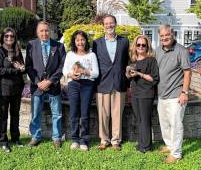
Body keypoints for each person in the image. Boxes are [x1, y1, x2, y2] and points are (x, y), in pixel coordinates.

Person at [25, 21, 66, 148]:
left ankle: (56, 137)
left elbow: (62, 66)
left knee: (57, 114)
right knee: (36, 113)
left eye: (46, 30)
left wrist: (49, 81)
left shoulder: (59, 46)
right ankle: (35, 136)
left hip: (53, 86)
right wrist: (38, 82)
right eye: (41, 31)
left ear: (50, 32)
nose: (44, 33)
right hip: (37, 87)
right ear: (37, 33)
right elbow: (29, 66)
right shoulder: (31, 45)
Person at [92, 14, 129, 151]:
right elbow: (94, 62)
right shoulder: (96, 43)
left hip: (119, 83)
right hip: (102, 83)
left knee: (117, 114)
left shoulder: (124, 41)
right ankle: (104, 139)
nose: (109, 25)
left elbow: (126, 62)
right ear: (103, 26)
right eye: (106, 23)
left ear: (115, 24)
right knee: (103, 114)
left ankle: (115, 141)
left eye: (111, 23)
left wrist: (127, 82)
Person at [156, 24, 191, 164]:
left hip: (176, 95)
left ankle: (176, 153)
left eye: (167, 35)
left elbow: (187, 72)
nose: (164, 38)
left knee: (176, 124)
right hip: (161, 95)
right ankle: (170, 146)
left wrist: (184, 92)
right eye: (162, 36)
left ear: (173, 35)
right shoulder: (158, 50)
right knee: (164, 123)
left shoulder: (181, 50)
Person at [63, 30, 99, 151]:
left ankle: (84, 140)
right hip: (73, 84)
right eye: (77, 40)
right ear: (74, 41)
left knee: (85, 114)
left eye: (82, 39)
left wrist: (84, 71)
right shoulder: (70, 54)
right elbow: (64, 70)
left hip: (87, 85)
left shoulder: (91, 55)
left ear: (86, 41)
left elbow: (96, 73)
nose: (80, 42)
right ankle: (74, 139)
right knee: (74, 113)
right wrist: (70, 75)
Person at [0, 27, 25, 153]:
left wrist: (22, 67)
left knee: (15, 114)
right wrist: (15, 70)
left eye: (11, 36)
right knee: (3, 116)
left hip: (17, 88)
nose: (9, 38)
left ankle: (15, 138)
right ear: (3, 37)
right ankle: (3, 141)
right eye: (6, 36)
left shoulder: (17, 51)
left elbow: (23, 68)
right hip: (3, 88)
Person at [126, 35, 159, 153]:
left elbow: (154, 79)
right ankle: (142, 143)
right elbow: (129, 78)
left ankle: (146, 146)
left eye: (143, 45)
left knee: (145, 119)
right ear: (135, 46)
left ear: (147, 47)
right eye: (138, 45)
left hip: (146, 94)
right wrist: (129, 75)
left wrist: (140, 74)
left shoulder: (151, 60)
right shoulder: (133, 61)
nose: (140, 47)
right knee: (139, 119)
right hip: (135, 93)